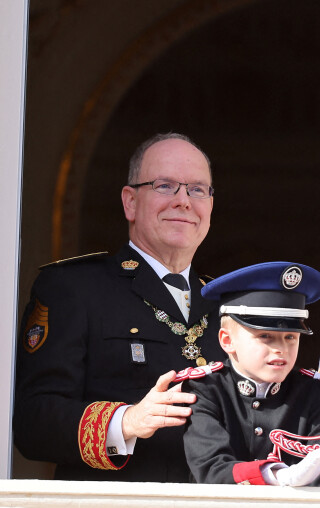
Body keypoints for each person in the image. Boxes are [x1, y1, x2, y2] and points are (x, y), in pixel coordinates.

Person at [14, 132, 225, 482]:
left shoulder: (230, 305)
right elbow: (32, 420)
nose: (184, 201)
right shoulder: (75, 288)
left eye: (197, 189)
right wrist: (126, 422)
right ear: (130, 202)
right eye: (164, 185)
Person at [181, 261, 320, 507]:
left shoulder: (314, 393)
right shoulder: (204, 389)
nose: (280, 349)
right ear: (227, 340)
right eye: (265, 336)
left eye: (291, 337)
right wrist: (275, 475)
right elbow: (211, 469)